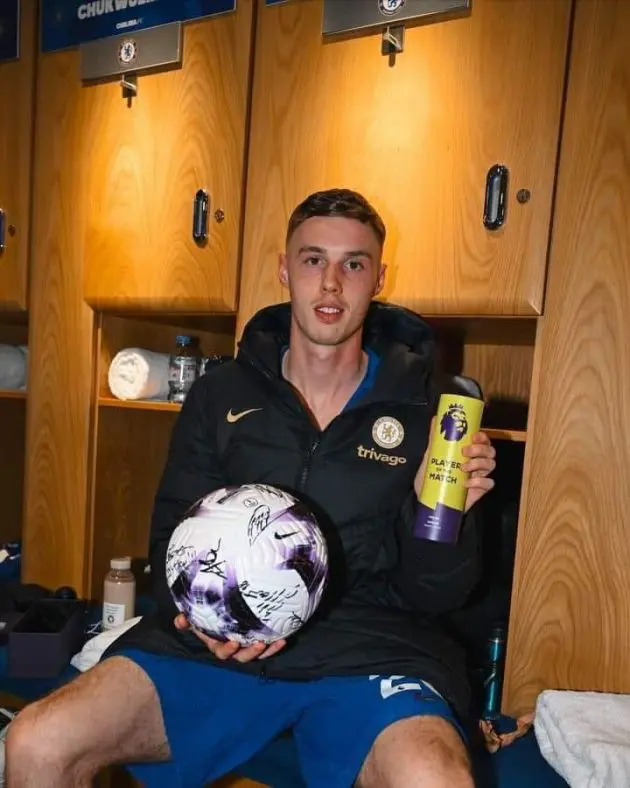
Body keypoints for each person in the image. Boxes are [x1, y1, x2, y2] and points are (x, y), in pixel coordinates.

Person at [6, 189, 496, 788]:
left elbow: (437, 597)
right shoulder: (221, 394)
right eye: (314, 260)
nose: (332, 284)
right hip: (216, 641)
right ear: (284, 270)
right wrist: (206, 619)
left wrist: (439, 513)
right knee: (34, 743)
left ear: (378, 279)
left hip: (368, 649)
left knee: (434, 779)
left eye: (354, 264)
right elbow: (168, 540)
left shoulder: (427, 416)